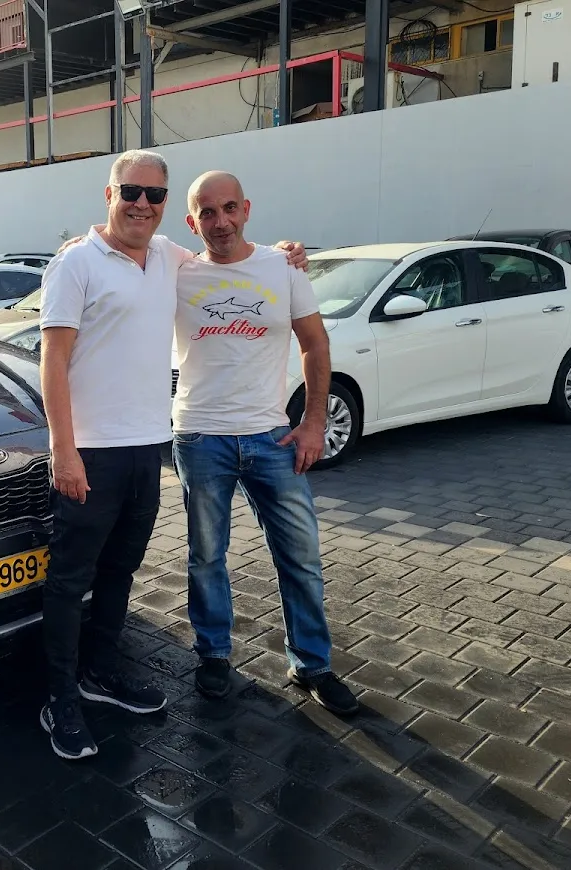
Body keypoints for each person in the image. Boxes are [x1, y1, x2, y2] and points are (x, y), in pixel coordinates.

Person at [38, 150, 308, 760]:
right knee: (70, 579)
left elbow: (228, 250)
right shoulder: (76, 262)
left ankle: (99, 673)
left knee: (120, 571)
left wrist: (286, 252)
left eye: (155, 195)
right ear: (109, 194)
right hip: (90, 451)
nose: (142, 204)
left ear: (166, 204)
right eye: (131, 191)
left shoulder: (168, 257)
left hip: (146, 447)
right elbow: (53, 360)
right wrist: (63, 449)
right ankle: (60, 699)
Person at [174, 171, 357, 716]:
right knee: (207, 556)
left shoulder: (283, 267)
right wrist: (83, 241)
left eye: (229, 208)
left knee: (301, 556)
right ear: (192, 221)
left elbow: (315, 344)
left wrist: (314, 422)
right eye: (208, 212)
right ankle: (213, 654)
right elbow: (122, 246)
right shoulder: (175, 271)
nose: (221, 221)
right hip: (200, 436)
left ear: (247, 209)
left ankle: (312, 664)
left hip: (272, 437)